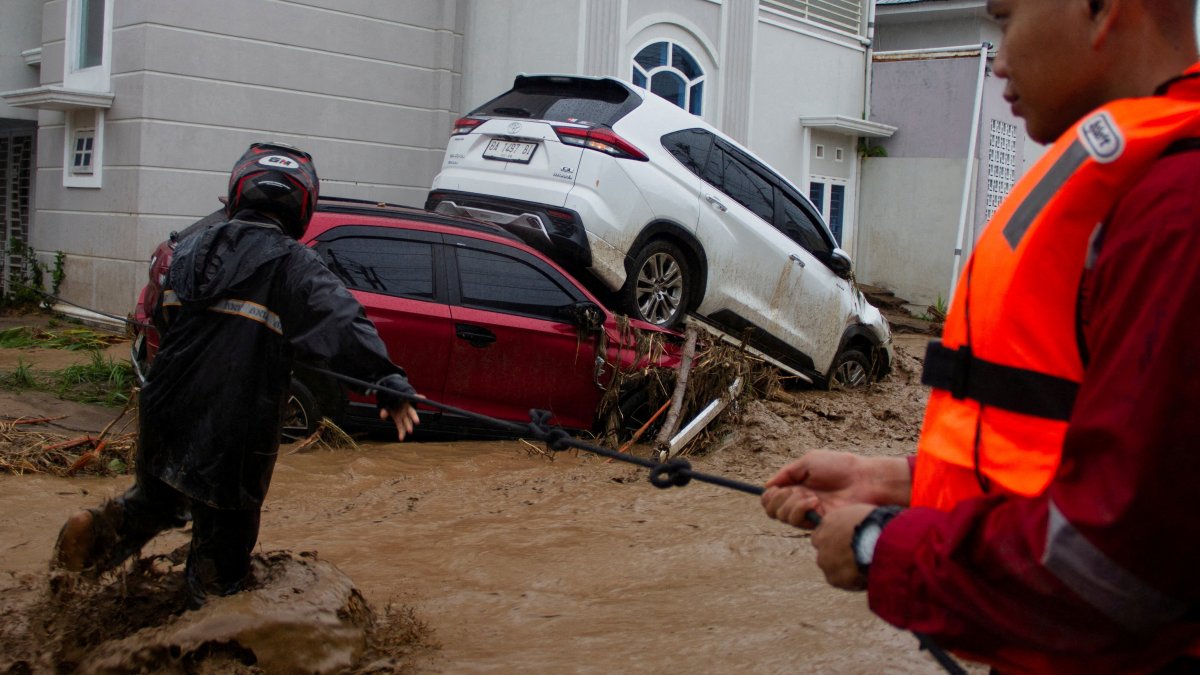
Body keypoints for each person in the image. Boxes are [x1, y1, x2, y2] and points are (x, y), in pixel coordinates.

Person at [761, 0, 1200, 671]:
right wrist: (900, 481)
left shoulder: (1178, 213)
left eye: (1005, 18)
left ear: (1102, 9)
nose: (998, 58)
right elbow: (1088, 454)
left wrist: (883, 544)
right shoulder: (1145, 193)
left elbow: (1122, 564)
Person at [51, 142, 421, 607]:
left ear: (237, 192)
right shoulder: (294, 264)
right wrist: (387, 381)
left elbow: (163, 324)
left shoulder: (187, 250)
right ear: (302, 206)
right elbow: (342, 322)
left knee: (157, 500)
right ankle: (205, 638)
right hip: (236, 426)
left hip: (164, 407)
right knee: (224, 548)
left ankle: (100, 535)